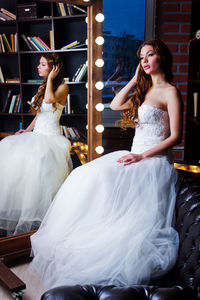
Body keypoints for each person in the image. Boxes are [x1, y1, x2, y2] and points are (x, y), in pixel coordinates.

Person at [30, 39, 183, 290]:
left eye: (150, 55)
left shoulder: (170, 92)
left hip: (153, 162)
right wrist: (134, 79)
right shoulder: (144, 91)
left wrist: (142, 157)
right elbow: (114, 104)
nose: (144, 60)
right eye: (141, 57)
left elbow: (176, 136)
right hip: (135, 156)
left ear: (162, 58)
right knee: (85, 176)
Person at [0, 53, 72, 236]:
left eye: (42, 65)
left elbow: (48, 101)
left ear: (54, 68)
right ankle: (25, 217)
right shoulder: (43, 86)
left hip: (51, 138)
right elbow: (39, 113)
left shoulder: (62, 87)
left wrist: (50, 80)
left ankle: (46, 223)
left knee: (43, 178)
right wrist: (27, 130)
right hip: (37, 133)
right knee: (11, 152)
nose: (38, 67)